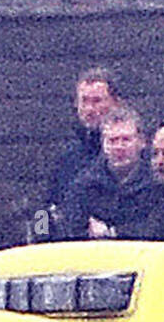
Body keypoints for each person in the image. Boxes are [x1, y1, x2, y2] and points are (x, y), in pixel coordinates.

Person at [62, 107, 153, 239]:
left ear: (142, 142)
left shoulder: (158, 183)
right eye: (112, 141)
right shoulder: (83, 186)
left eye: (126, 139)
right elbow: (71, 229)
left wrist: (112, 232)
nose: (119, 147)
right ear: (103, 144)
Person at [46, 67, 121, 222]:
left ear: (115, 103)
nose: (89, 109)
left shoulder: (133, 153)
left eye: (97, 101)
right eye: (84, 101)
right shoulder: (67, 159)